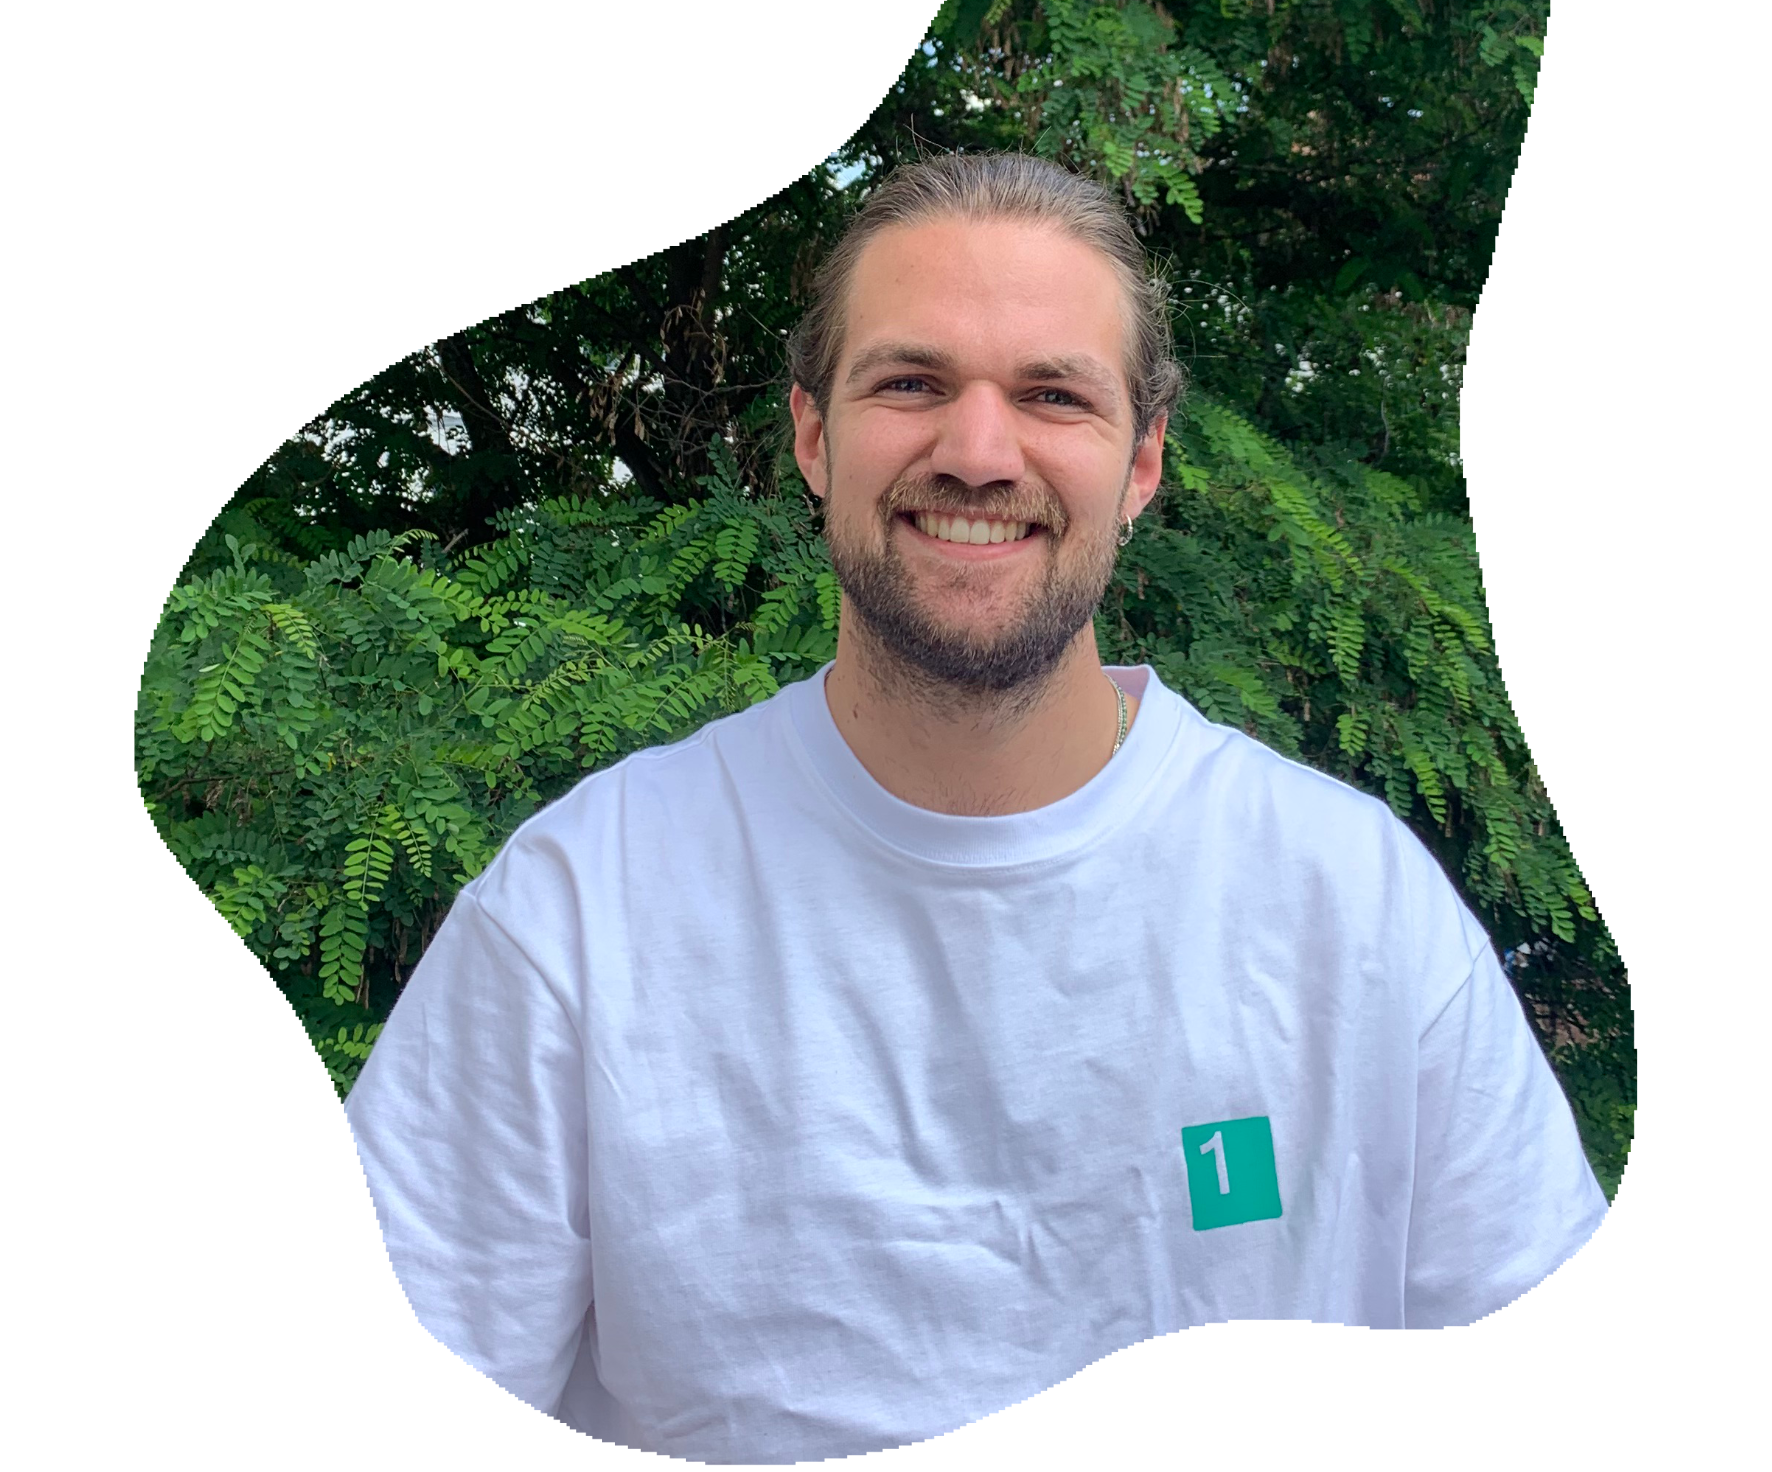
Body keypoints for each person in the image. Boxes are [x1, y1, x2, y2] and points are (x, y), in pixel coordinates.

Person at [343, 152, 1608, 1462]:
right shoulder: (575, 917)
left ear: (1142, 462)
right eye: (911, 383)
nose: (979, 453)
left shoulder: (1357, 906)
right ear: (814, 437)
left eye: (1053, 395)